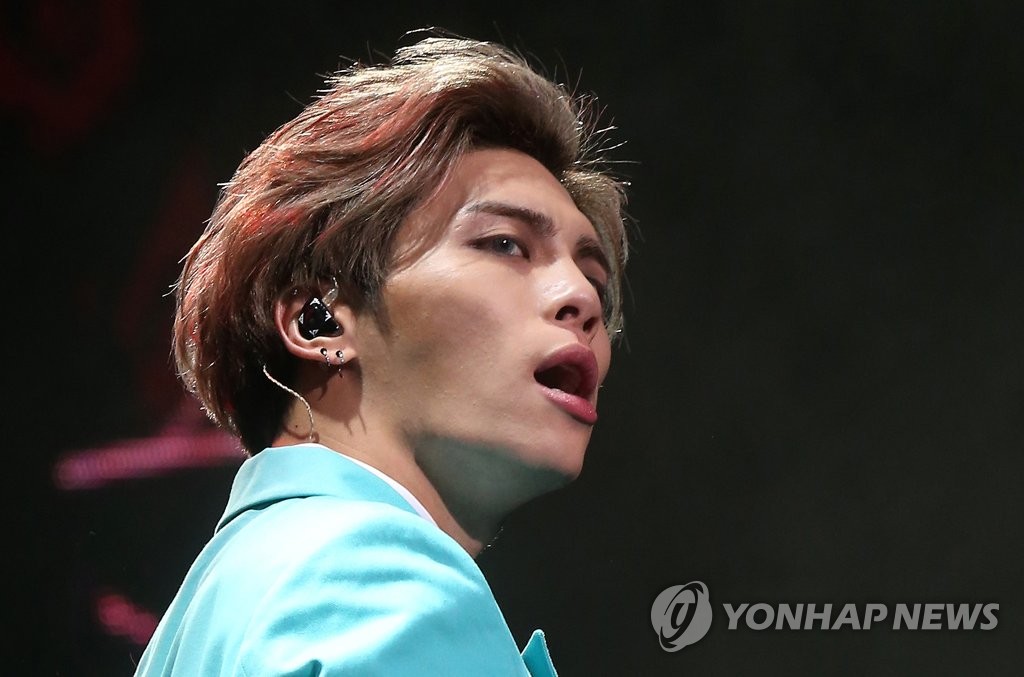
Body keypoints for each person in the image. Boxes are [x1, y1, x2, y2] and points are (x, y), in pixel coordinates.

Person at [134, 34, 629, 676]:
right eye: (505, 244)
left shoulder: (223, 597)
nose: (581, 299)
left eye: (593, 277)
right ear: (318, 322)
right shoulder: (377, 581)